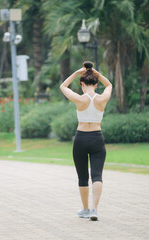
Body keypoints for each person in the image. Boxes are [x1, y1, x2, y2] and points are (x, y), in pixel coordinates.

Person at [59, 61, 112, 221]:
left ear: (82, 84)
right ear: (96, 85)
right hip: (97, 138)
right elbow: (109, 84)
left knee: (83, 177)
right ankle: (94, 210)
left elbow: (63, 86)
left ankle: (85, 209)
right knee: (97, 175)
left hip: (81, 138)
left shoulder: (79, 99)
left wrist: (76, 73)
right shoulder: (102, 98)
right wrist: (95, 72)